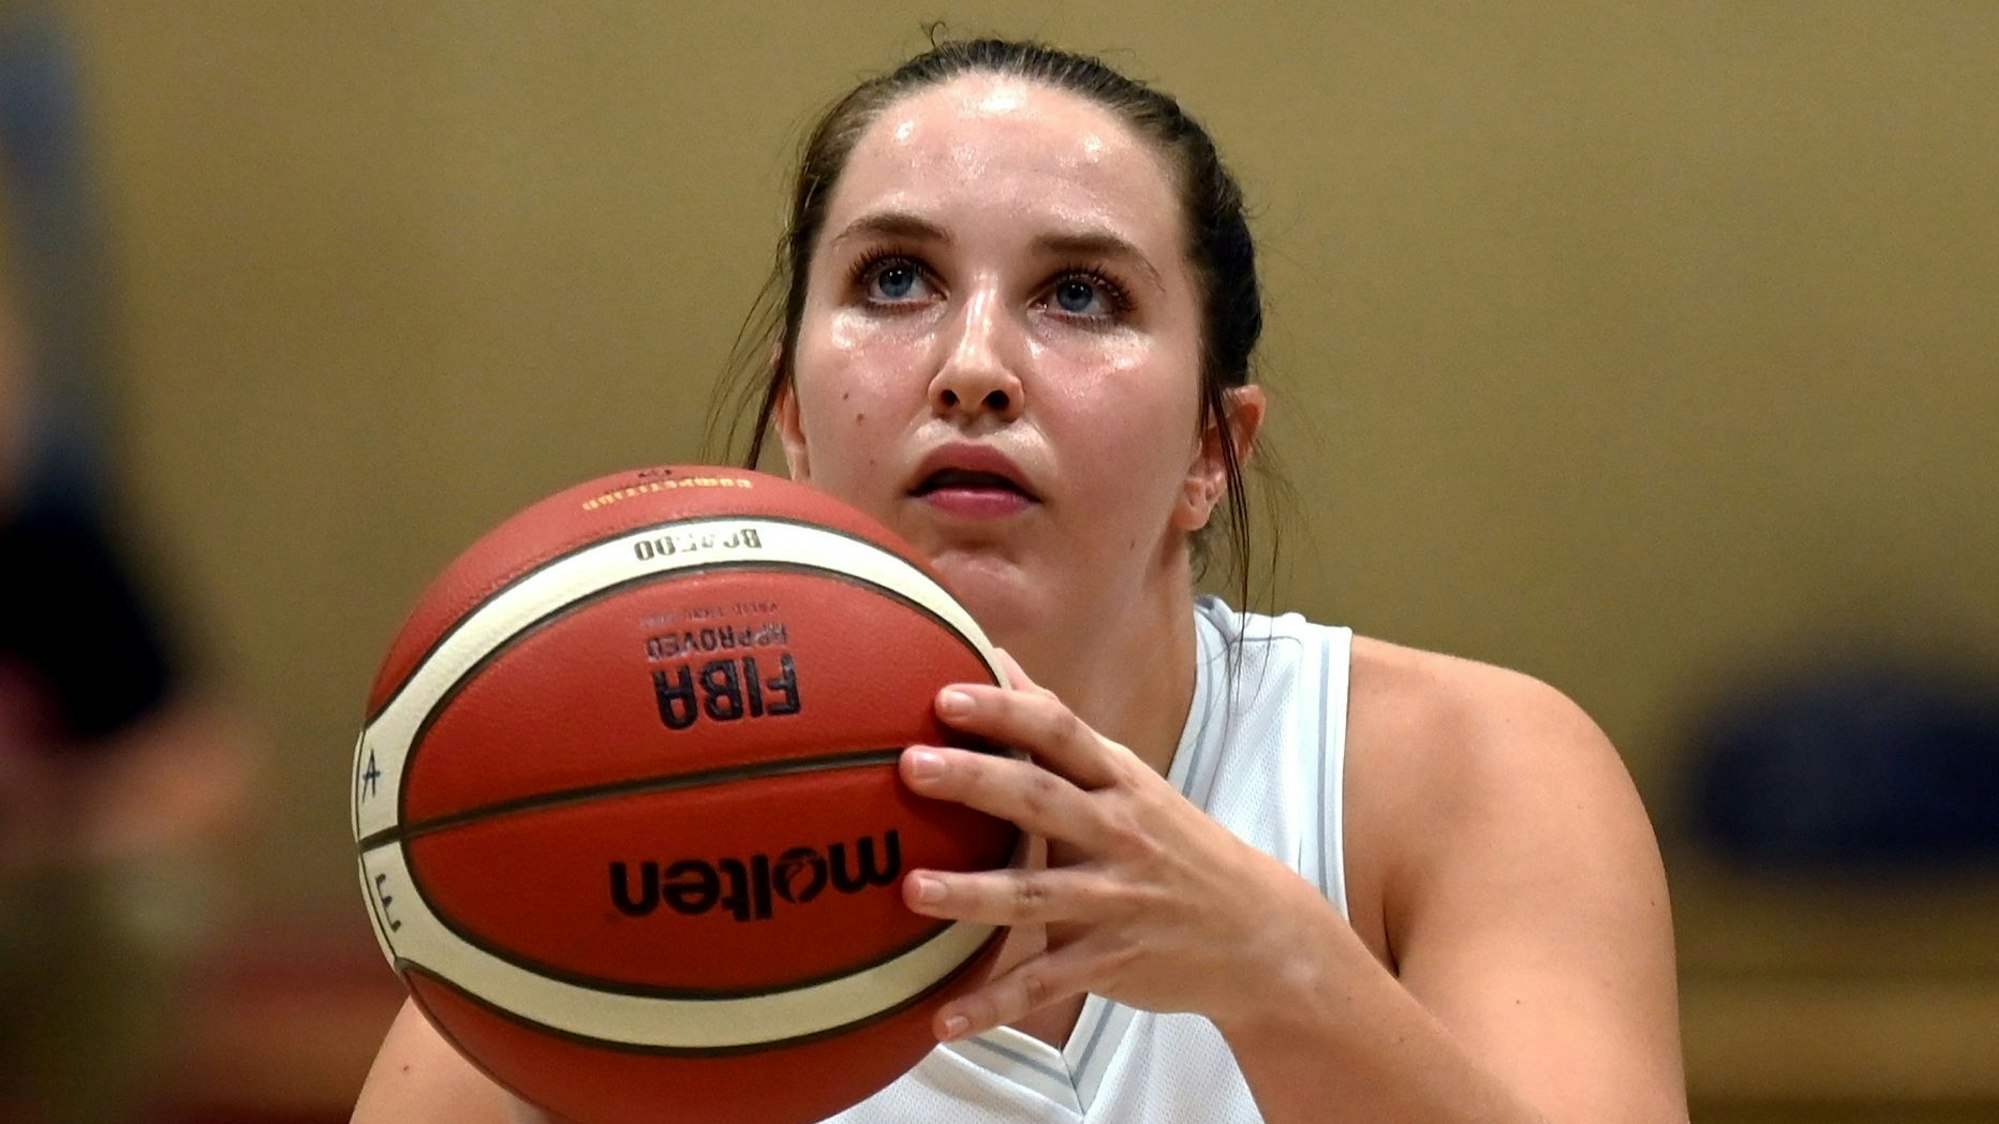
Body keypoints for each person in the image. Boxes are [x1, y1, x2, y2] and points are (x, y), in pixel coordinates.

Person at [354, 36, 1688, 1123]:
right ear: (797, 418)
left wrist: (1284, 973)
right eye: (894, 279)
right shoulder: (583, 882)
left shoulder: (1461, 775)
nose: (973, 362)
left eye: (1082, 296)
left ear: (1211, 455)